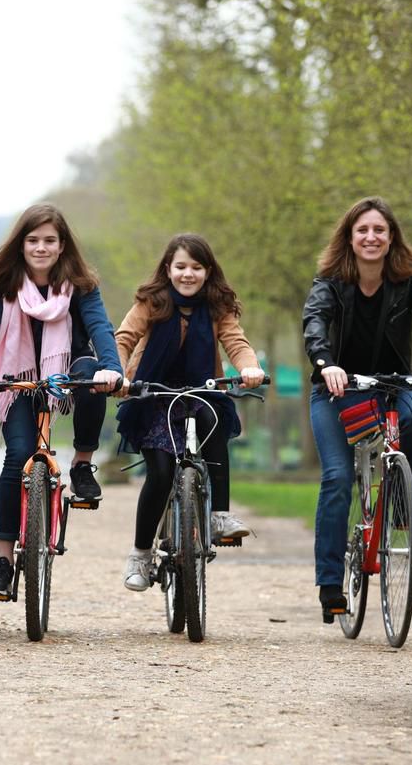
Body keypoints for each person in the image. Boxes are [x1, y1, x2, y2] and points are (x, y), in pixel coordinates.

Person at [303, 195, 412, 620]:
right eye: (363, 230)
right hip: (338, 390)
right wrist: (326, 364)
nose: (371, 237)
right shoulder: (329, 282)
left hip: (393, 387)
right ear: (350, 237)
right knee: (339, 478)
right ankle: (329, 584)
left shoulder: (411, 281)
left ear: (392, 236)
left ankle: (399, 493)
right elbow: (315, 323)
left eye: (380, 230)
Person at [0, 203, 123, 599]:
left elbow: (101, 328)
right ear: (20, 245)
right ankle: (3, 561)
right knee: (17, 456)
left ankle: (83, 465)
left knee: (92, 378)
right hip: (17, 379)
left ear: (62, 244)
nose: (40, 248)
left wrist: (112, 367)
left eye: (49, 240)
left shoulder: (80, 285)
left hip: (66, 373)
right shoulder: (0, 286)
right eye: (33, 240)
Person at [114, 234, 265, 591]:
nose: (188, 274)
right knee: (162, 472)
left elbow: (235, 342)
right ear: (168, 269)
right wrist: (118, 373)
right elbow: (123, 339)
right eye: (181, 266)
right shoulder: (151, 302)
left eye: (196, 267)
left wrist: (249, 367)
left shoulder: (216, 306)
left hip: (201, 390)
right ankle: (139, 554)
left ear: (208, 271)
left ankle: (219, 516)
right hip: (153, 394)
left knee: (215, 423)